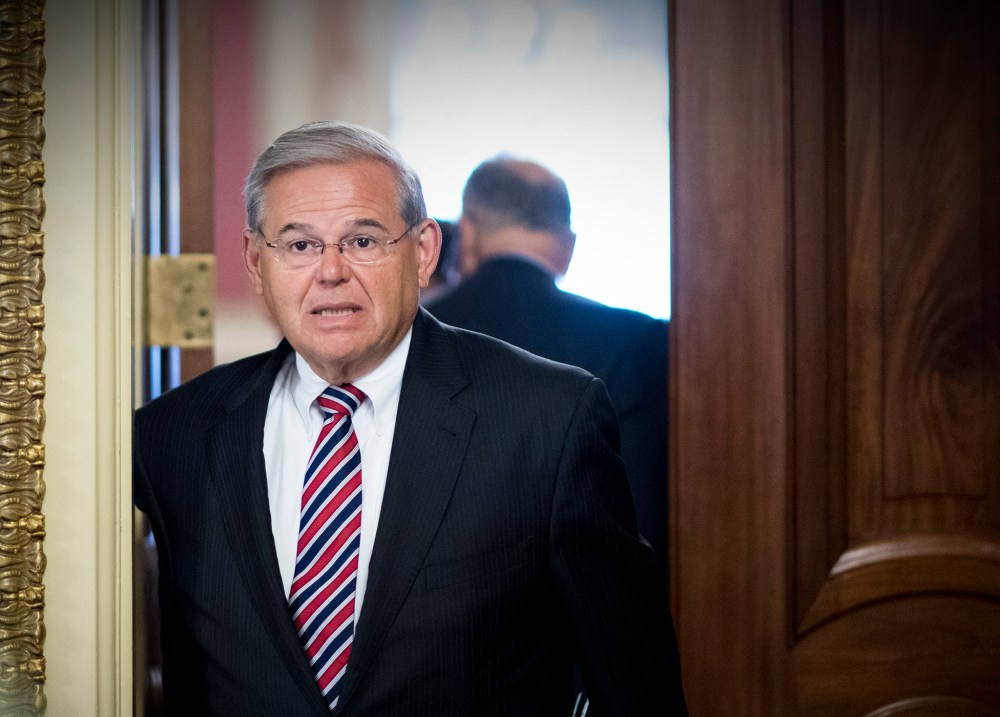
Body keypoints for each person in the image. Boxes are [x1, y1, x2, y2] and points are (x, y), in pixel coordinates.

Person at [133, 120, 686, 716]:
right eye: (299, 244)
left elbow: (636, 689)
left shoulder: (548, 420)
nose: (330, 271)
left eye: (363, 241)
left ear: (423, 252)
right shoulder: (174, 437)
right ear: (254, 260)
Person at [424, 156, 672, 593]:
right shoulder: (636, 339)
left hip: (434, 618)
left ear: (469, 230)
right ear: (568, 243)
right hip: (576, 619)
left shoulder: (412, 332)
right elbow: (640, 514)